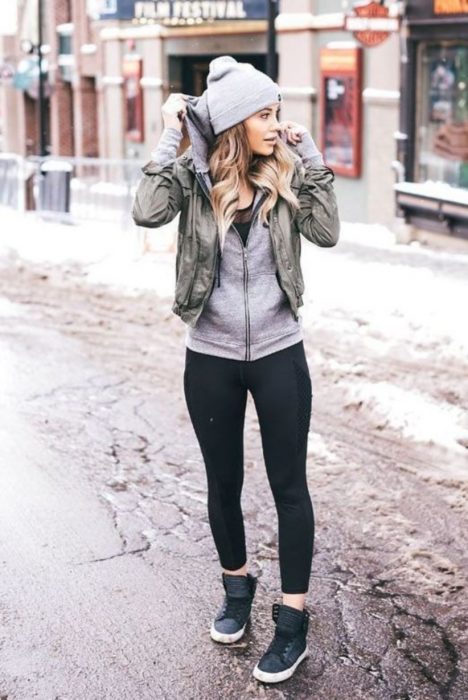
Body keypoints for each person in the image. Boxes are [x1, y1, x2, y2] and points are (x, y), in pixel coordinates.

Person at [132, 55, 340, 684]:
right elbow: (146, 210)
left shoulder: (287, 178)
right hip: (211, 358)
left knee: (290, 489)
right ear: (235, 123)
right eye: (267, 114)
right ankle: (237, 589)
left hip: (280, 350)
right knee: (222, 483)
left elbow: (326, 232)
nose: (277, 124)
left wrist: (308, 158)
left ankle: (292, 623)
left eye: (277, 112)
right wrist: (172, 133)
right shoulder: (196, 183)